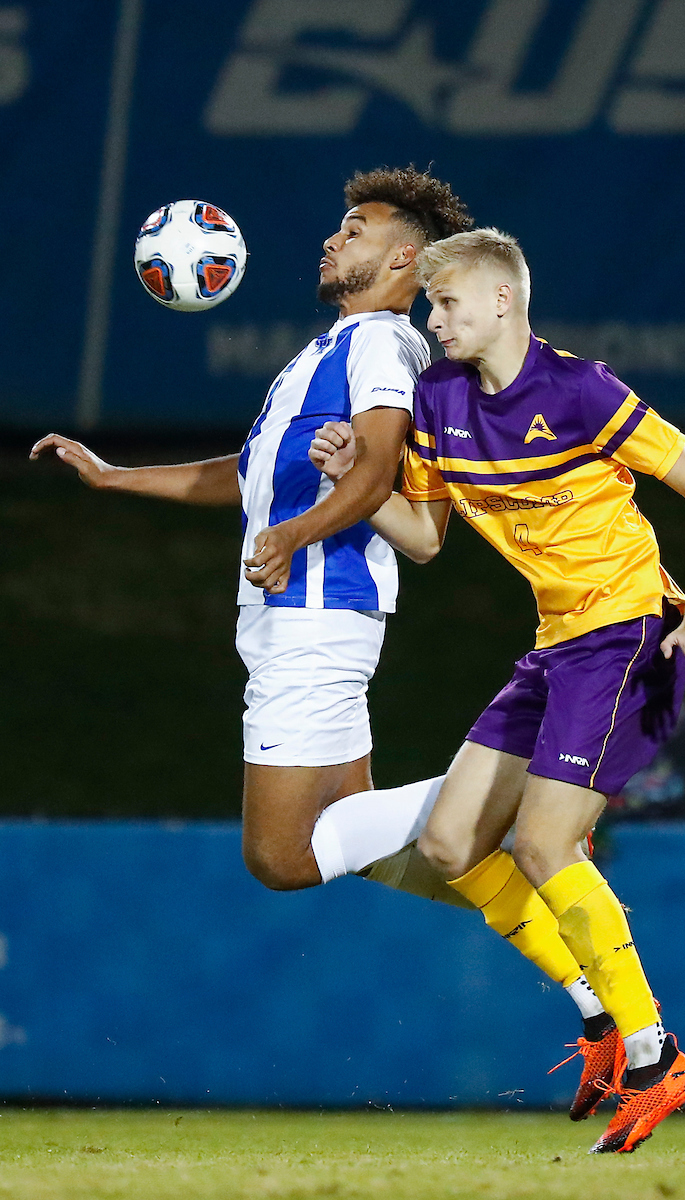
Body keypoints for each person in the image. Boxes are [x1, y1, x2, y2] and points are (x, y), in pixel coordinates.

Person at [309, 226, 685, 1154]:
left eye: (447, 303)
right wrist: (355, 481)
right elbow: (422, 538)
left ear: (502, 300)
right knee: (454, 842)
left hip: (627, 634)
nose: (434, 319)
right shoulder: (439, 398)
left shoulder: (581, 389)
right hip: (552, 650)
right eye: (429, 304)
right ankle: (600, 1019)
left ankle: (658, 1057)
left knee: (543, 842)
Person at [29, 165, 475, 897]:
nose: (333, 240)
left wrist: (295, 535)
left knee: (283, 857)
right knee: (359, 839)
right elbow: (250, 473)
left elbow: (373, 476)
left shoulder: (383, 345)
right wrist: (115, 476)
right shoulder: (328, 350)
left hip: (316, 615)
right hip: (297, 616)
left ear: (403, 259)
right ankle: (585, 966)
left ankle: (513, 790)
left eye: (355, 232)